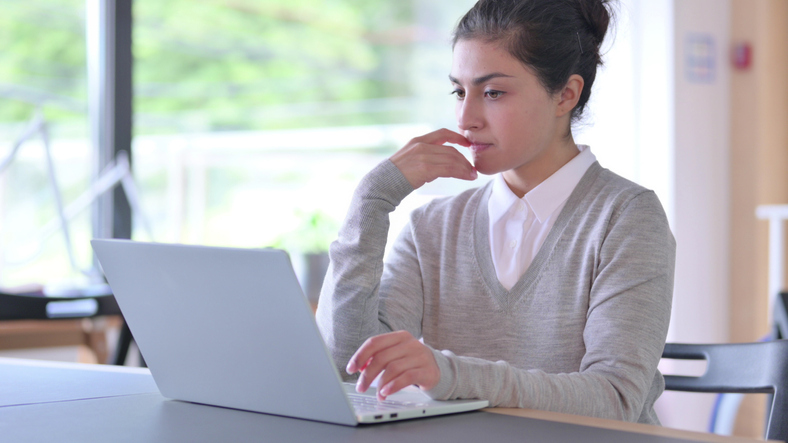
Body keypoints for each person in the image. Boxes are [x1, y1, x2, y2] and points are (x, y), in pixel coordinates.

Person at [315, 0, 674, 425]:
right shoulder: (433, 226)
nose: (466, 118)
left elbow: (616, 399)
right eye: (459, 91)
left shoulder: (627, 217)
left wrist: (448, 374)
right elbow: (350, 371)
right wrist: (371, 201)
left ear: (566, 94)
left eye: (493, 92)